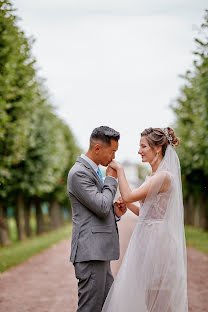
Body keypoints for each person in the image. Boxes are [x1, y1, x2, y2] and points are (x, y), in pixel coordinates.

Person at [102, 127, 188, 312]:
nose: (139, 151)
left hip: (158, 242)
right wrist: (128, 206)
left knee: (160, 297)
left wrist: (120, 169)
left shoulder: (163, 177)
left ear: (157, 149)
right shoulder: (154, 176)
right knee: (149, 297)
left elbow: (129, 194)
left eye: (143, 146)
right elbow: (147, 212)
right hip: (148, 238)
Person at [67, 126, 127, 312]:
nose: (114, 158)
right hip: (90, 253)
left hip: (98, 252)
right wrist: (111, 180)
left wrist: (115, 213)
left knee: (106, 305)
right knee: (90, 308)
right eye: (112, 152)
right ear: (98, 149)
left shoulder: (92, 171)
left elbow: (97, 209)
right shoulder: (79, 173)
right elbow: (101, 206)